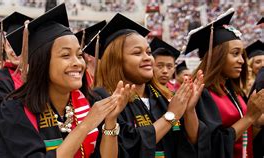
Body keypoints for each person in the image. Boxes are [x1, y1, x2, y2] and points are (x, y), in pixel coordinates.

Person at [0, 4, 129, 157]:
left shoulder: (90, 103)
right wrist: (86, 125)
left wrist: (110, 121)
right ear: (42, 63)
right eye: (66, 55)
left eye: (79, 55)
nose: (77, 63)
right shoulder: (13, 112)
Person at [91, 13, 203, 158]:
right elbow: (127, 146)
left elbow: (192, 140)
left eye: (148, 52)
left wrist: (188, 110)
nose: (148, 58)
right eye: (137, 53)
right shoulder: (103, 98)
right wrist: (171, 115)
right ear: (116, 60)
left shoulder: (163, 95)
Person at [184, 9, 264, 158]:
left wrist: (257, 121)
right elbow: (209, 145)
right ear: (216, 56)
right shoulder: (201, 94)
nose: (241, 60)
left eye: (242, 55)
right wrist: (249, 118)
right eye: (235, 54)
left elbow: (244, 137)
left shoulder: (233, 91)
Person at [0, 12, 32, 125]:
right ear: (4, 47)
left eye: (19, 44)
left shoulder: (39, 76)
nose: (13, 51)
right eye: (9, 45)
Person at [74, 20, 107, 87]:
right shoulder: (80, 80)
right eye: (101, 53)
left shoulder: (109, 78)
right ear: (88, 56)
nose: (107, 56)